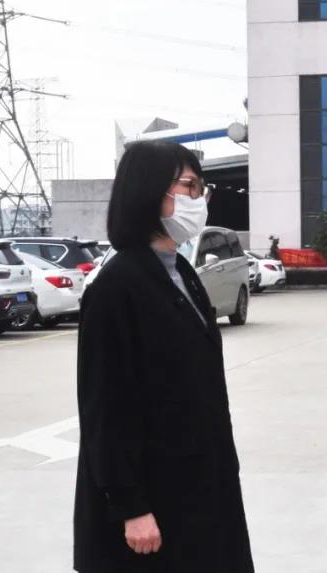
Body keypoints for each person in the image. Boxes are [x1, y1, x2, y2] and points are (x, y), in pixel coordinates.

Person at [74, 140, 254, 573]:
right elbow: (106, 408)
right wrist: (131, 506)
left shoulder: (181, 273)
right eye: (189, 186)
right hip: (152, 499)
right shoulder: (117, 286)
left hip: (200, 482)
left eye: (201, 188)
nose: (199, 199)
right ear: (149, 190)